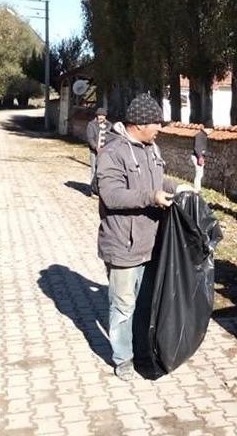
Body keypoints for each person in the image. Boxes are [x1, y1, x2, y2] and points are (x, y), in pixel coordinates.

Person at [95, 93, 177, 380]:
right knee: (123, 305)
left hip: (150, 243)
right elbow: (111, 195)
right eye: (156, 122)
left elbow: (157, 182)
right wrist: (151, 197)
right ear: (139, 123)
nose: (160, 128)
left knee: (144, 304)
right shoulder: (112, 153)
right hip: (123, 245)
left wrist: (177, 188)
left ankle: (142, 350)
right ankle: (123, 359)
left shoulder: (151, 149)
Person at [86, 107, 110, 196]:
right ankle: (92, 190)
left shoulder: (109, 125)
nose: (101, 117)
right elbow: (90, 138)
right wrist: (95, 147)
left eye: (103, 115)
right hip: (94, 151)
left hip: (105, 152)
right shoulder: (91, 125)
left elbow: (111, 138)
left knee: (103, 171)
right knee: (94, 170)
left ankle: (100, 190)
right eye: (99, 115)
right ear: (96, 116)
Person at [191, 127, 213, 191]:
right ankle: (197, 189)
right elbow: (197, 148)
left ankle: (197, 189)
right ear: (207, 128)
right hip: (197, 157)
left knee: (200, 174)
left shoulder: (203, 135)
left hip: (199, 156)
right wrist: (200, 157)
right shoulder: (200, 135)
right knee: (199, 174)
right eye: (210, 129)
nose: (211, 131)